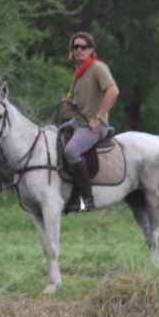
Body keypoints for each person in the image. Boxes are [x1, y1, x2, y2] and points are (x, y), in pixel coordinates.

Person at [58, 31, 119, 213]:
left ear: (91, 50)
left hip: (94, 126)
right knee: (54, 137)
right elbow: (82, 103)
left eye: (82, 47)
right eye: (75, 47)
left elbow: (113, 91)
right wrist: (70, 105)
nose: (78, 50)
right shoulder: (78, 71)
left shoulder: (98, 68)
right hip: (77, 123)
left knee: (71, 150)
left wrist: (98, 117)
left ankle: (86, 199)